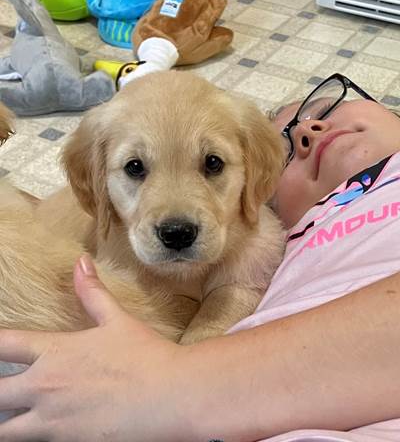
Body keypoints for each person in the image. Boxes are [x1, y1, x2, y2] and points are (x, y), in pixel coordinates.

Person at [1, 73, 400, 442]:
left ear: (256, 183)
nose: (310, 130)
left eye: (212, 163)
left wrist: (179, 379)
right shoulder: (307, 223)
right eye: (135, 168)